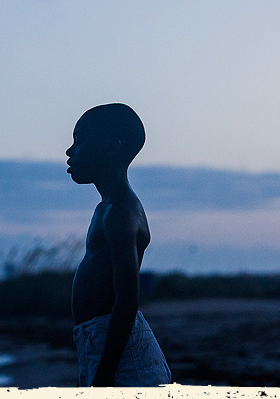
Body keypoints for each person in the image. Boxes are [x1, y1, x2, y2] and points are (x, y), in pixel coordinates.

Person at [66, 103, 172, 387]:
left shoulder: (121, 212)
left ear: (111, 148)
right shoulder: (106, 209)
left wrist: (103, 376)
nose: (69, 151)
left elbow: (126, 303)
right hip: (100, 343)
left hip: (123, 353)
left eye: (79, 141)